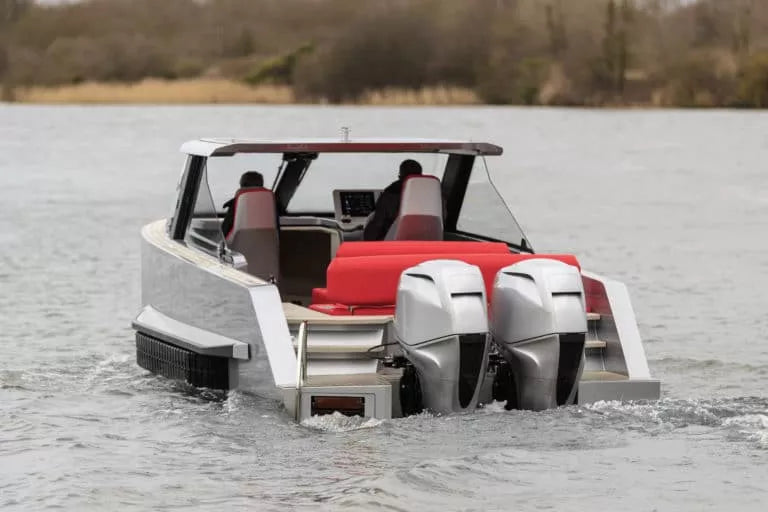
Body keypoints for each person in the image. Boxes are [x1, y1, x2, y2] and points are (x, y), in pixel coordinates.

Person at [363, 159, 422, 241]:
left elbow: (377, 224)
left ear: (400, 175)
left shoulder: (390, 193)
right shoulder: (434, 194)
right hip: (428, 244)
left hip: (394, 245)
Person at [221, 171, 265, 238]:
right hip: (268, 245)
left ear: (242, 185)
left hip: (239, 246)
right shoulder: (273, 203)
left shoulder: (236, 203)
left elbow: (224, 232)